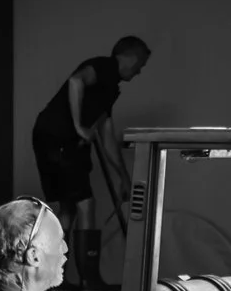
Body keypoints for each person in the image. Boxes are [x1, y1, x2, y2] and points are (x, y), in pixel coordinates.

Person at [30, 36, 151, 278]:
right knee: (86, 203)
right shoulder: (104, 67)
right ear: (130, 57)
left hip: (57, 139)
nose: (139, 72)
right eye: (140, 64)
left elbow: (106, 135)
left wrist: (123, 179)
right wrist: (78, 127)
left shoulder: (110, 88)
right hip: (59, 138)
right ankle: (88, 279)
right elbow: (76, 81)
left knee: (69, 208)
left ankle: (53, 278)